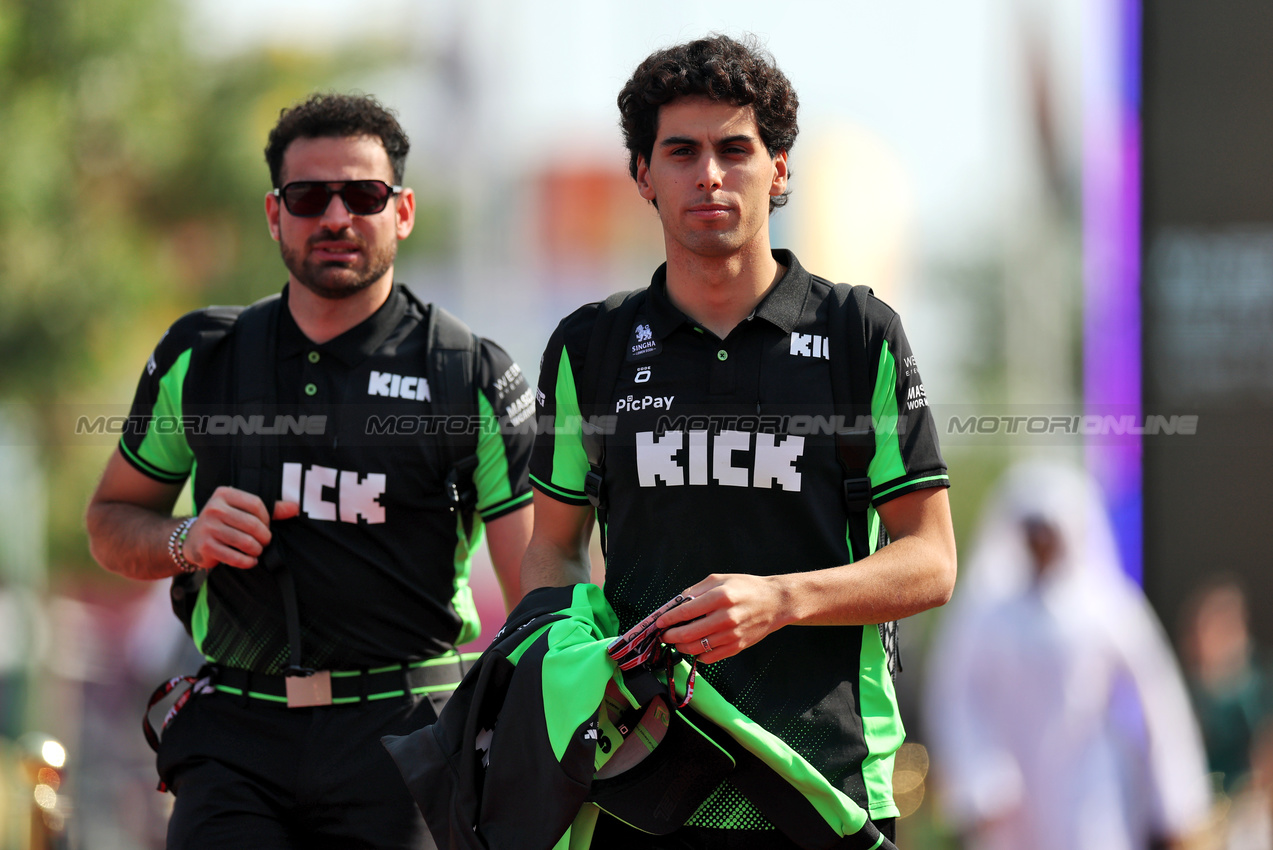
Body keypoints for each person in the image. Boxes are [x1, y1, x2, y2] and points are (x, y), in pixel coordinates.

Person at [521, 35, 957, 849]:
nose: (709, 175)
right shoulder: (591, 346)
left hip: (824, 779)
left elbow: (930, 560)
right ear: (642, 176)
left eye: (735, 149)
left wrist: (783, 599)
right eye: (680, 152)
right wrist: (569, 657)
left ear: (779, 169)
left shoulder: (858, 332)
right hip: (641, 778)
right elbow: (551, 550)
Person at [84, 93, 535, 849]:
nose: (335, 217)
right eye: (308, 197)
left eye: (362, 195)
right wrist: (186, 540)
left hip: (407, 733)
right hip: (235, 734)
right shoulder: (204, 356)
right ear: (273, 214)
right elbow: (110, 523)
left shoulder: (468, 374)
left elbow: (538, 597)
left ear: (404, 211)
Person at [923, 460, 1211, 850]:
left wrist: (1176, 803)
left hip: (1091, 795)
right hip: (1012, 805)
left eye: (1048, 530)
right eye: (1032, 530)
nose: (1040, 541)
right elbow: (956, 699)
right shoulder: (985, 615)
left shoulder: (1108, 608)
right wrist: (979, 778)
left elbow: (1156, 704)